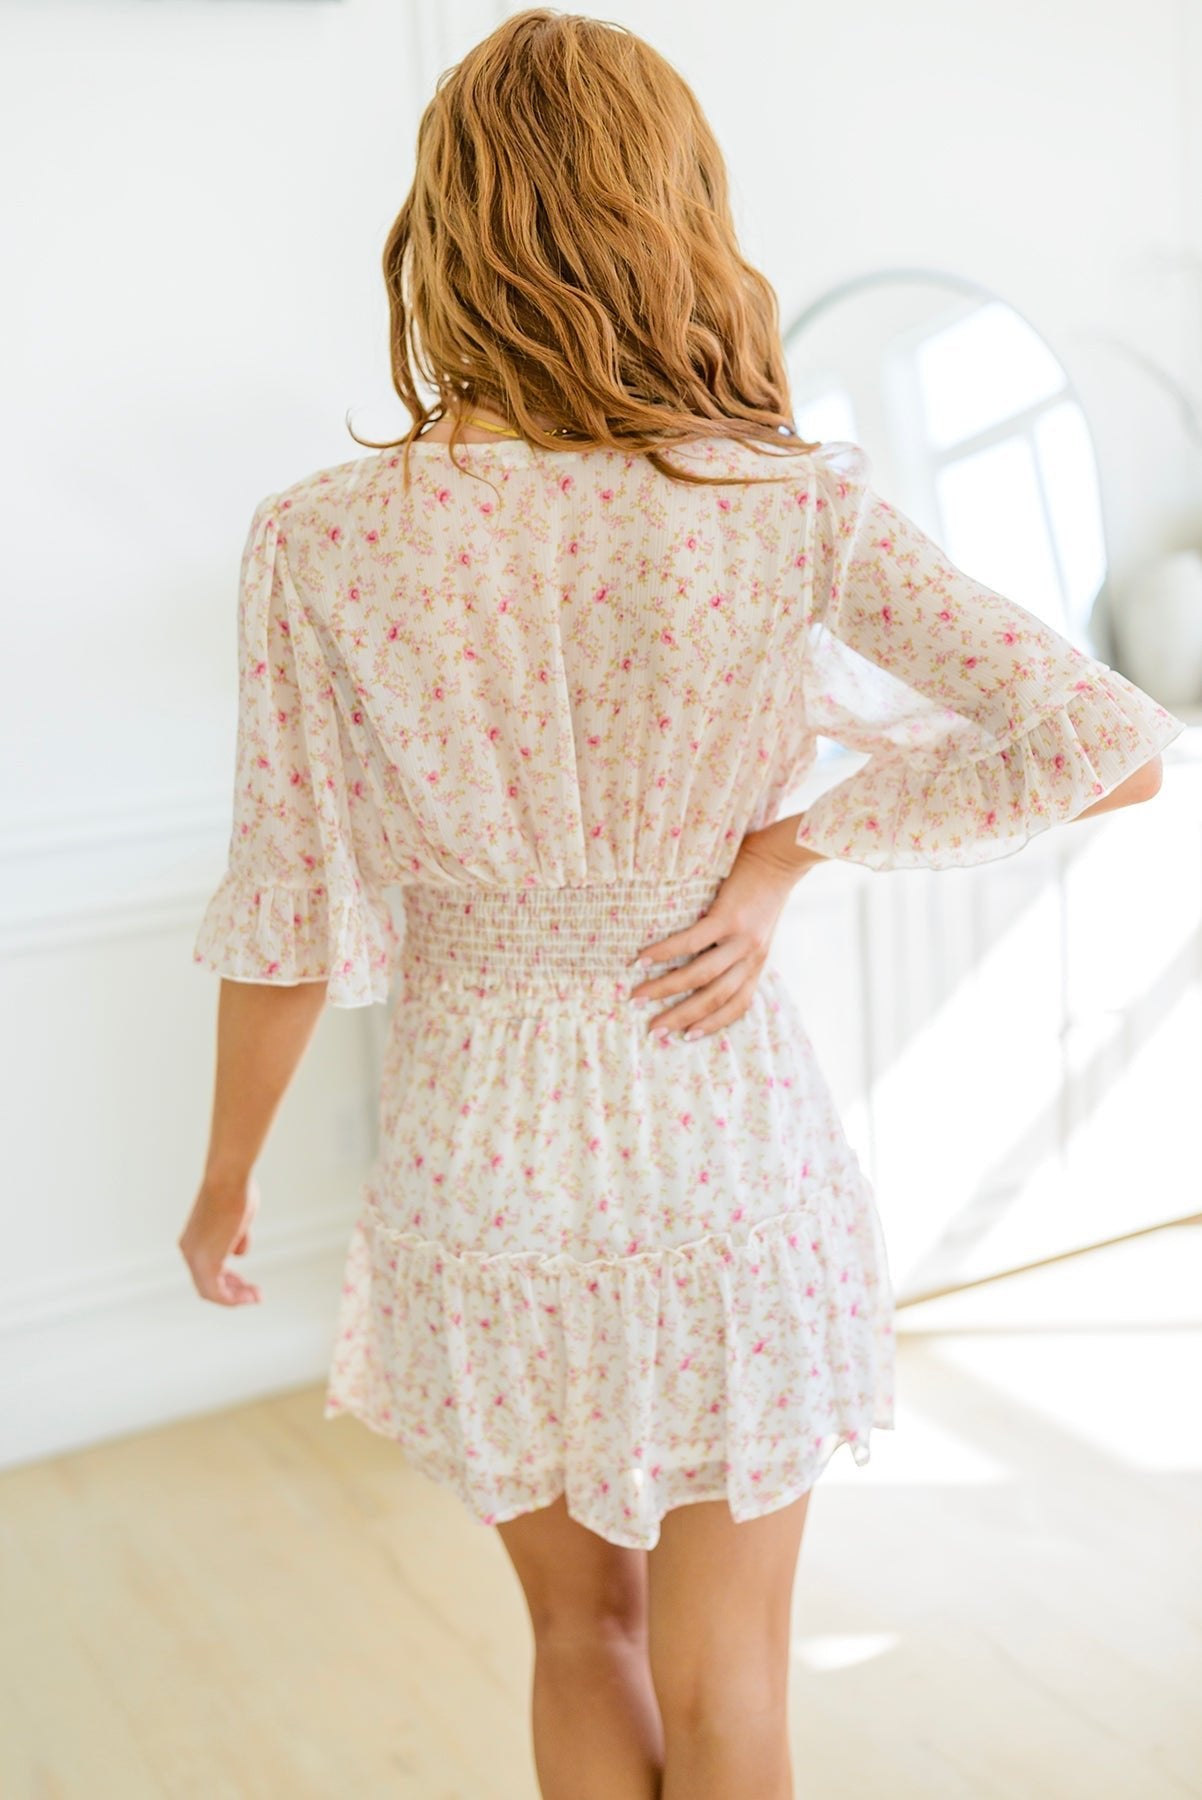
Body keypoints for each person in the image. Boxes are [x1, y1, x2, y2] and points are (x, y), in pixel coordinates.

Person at [177, 10, 1185, 1798]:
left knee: (582, 1639)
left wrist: (224, 1182)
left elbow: (284, 910)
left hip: (479, 1161)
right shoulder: (781, 507)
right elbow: (1108, 746)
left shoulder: (321, 538)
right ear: (679, 215)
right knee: (735, 1693)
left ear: (445, 228)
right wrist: (785, 852)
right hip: (720, 1143)